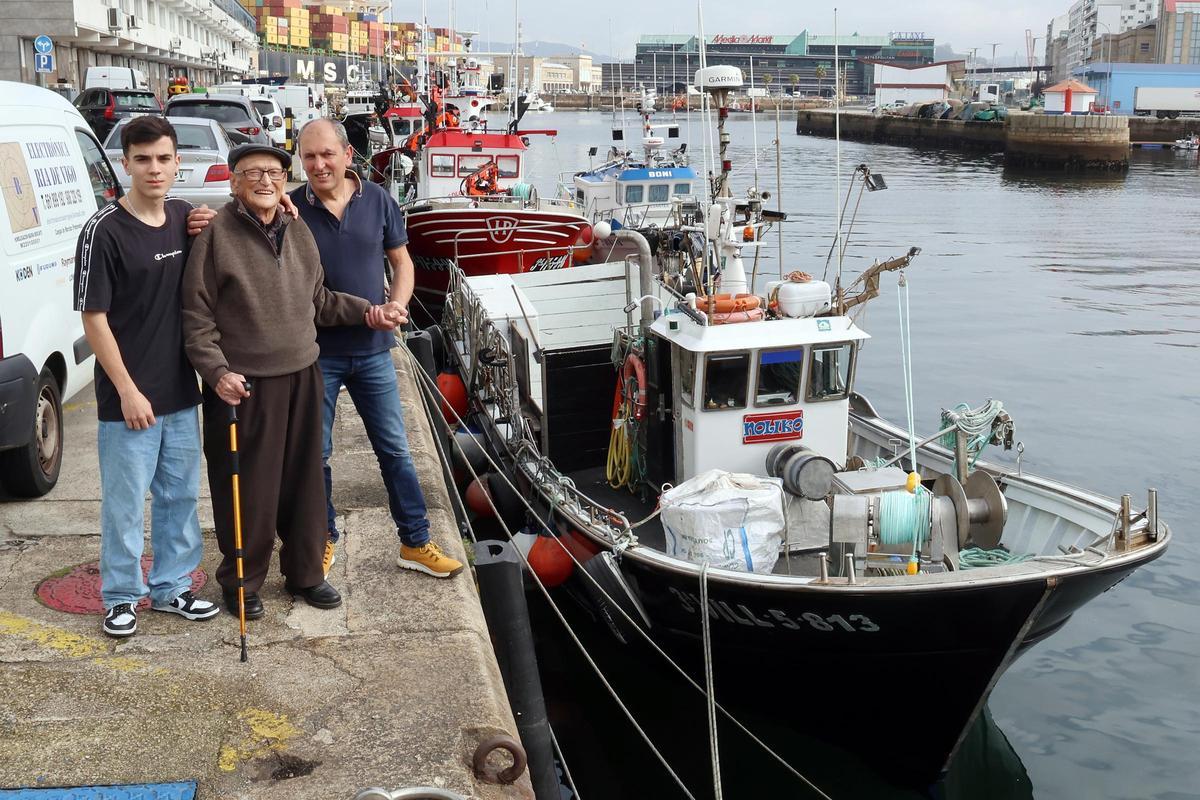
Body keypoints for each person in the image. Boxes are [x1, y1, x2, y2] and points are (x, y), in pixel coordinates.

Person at [181, 142, 398, 619]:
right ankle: (242, 582)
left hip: (303, 374)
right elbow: (196, 321)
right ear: (234, 181)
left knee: (305, 484)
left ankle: (305, 575)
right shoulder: (213, 234)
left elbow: (318, 299)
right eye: (253, 172)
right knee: (248, 490)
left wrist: (370, 312)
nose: (265, 181)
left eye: (275, 173)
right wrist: (216, 373)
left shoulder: (298, 229)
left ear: (285, 181)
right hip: (243, 385)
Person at [294, 118, 463, 580]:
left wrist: (397, 305)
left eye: (326, 154)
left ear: (348, 155)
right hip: (316, 353)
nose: (318, 164)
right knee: (317, 454)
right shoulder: (292, 209)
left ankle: (415, 541)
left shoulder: (380, 201)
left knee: (395, 450)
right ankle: (323, 538)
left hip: (373, 350)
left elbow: (402, 263)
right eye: (309, 156)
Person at [73, 115, 218, 638]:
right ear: (126, 165)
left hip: (181, 393)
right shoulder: (103, 231)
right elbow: (94, 320)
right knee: (125, 504)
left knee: (180, 498)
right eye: (142, 160)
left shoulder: (185, 217)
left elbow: (248, 218)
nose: (154, 169)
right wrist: (128, 391)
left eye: (163, 158)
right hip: (129, 400)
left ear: (178, 162)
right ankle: (119, 596)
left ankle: (172, 587)